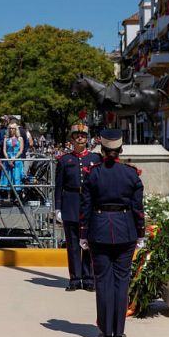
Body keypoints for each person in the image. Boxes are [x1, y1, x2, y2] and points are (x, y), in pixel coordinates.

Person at [80, 129, 145, 337]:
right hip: (125, 229)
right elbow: (137, 208)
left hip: (99, 230)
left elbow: (86, 207)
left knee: (103, 281)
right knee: (121, 280)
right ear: (120, 150)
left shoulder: (92, 173)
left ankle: (106, 331)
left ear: (102, 150)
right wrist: (141, 233)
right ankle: (118, 331)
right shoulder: (131, 173)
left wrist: (83, 233)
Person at [55, 122, 100, 292]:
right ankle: (75, 278)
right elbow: (59, 186)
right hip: (71, 203)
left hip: (89, 204)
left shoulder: (95, 159)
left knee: (88, 243)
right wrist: (58, 207)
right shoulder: (65, 160)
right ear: (72, 139)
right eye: (77, 136)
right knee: (73, 243)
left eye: (83, 136)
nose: (80, 138)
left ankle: (88, 278)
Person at [0, 122, 24, 194]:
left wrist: (13, 159)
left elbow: (21, 151)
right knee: (7, 177)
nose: (11, 130)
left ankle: (17, 195)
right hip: (8, 160)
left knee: (16, 177)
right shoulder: (6, 139)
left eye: (13, 128)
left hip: (17, 160)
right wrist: (8, 160)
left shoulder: (20, 138)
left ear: (16, 129)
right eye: (10, 128)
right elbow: (4, 150)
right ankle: (8, 195)